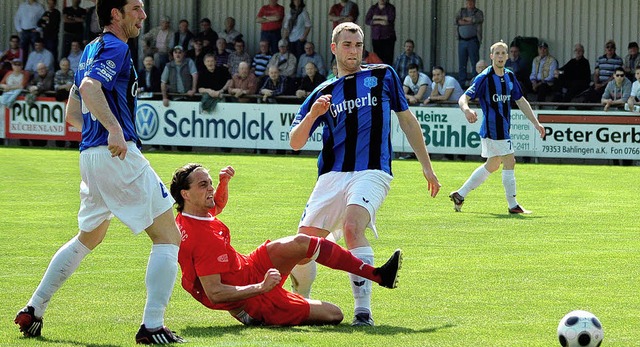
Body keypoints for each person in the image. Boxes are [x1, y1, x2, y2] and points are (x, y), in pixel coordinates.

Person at [14, 0, 184, 344]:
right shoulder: (115, 46)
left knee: (88, 237)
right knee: (168, 235)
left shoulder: (91, 49)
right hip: (115, 154)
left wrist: (101, 128)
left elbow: (73, 113)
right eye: (136, 8)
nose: (143, 15)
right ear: (115, 14)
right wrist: (114, 128)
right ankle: (152, 326)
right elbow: (91, 89)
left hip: (90, 156)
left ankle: (34, 309)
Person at [288, 22, 440, 327]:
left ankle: (363, 311)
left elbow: (408, 121)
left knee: (354, 226)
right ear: (334, 48)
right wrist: (315, 115)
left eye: (358, 45)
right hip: (331, 175)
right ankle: (301, 302)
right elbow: (295, 141)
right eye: (347, 45)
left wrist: (427, 165)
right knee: (302, 248)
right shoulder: (323, 91)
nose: (354, 51)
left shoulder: (383, 74)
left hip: (373, 170)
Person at [170, 163, 402, 326]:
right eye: (203, 185)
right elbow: (216, 293)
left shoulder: (190, 214)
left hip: (249, 268)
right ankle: (264, 315)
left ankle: (379, 275)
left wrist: (223, 183)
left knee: (303, 242)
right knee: (335, 314)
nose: (210, 189)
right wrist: (261, 287)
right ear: (185, 194)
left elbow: (216, 205)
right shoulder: (202, 239)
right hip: (255, 299)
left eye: (209, 183)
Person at [450, 41, 545, 215]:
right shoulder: (484, 77)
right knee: (510, 161)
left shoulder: (509, 76)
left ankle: (460, 194)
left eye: (503, 53)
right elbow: (463, 97)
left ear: (507, 57)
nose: (500, 56)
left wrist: (535, 122)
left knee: (493, 164)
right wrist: (467, 110)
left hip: (500, 128)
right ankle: (513, 205)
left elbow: (520, 100)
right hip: (494, 128)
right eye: (497, 53)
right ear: (491, 56)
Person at [454, 0, 483, 87]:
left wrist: (465, 20)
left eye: (472, 2)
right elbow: (456, 21)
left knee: (475, 63)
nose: (470, 4)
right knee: (462, 63)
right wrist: (469, 21)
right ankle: (462, 83)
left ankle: (475, 82)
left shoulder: (478, 12)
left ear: (474, 3)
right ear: (466, 3)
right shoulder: (461, 11)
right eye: (468, 2)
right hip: (462, 40)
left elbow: (478, 19)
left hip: (473, 40)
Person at [365, 0, 396, 65]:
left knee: (388, 59)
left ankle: (387, 74)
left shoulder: (391, 8)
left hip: (388, 37)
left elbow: (390, 18)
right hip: (376, 37)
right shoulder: (373, 8)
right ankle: (378, 74)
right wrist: (380, 21)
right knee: (377, 59)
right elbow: (367, 20)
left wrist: (375, 17)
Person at [38, 0, 61, 67]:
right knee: (46, 53)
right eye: (49, 4)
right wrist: (43, 21)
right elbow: (38, 23)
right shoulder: (46, 13)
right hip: (45, 37)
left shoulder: (57, 13)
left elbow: (54, 25)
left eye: (52, 4)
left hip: (52, 37)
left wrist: (46, 22)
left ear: (54, 4)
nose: (50, 6)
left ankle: (54, 68)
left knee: (52, 53)